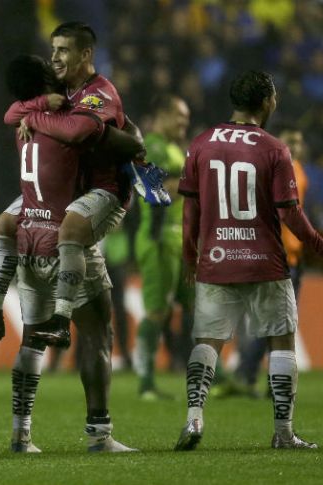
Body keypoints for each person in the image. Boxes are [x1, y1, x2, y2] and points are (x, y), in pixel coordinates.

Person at [0, 21, 165, 348]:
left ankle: (62, 321)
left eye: (63, 50)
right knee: (1, 223)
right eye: (53, 50)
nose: (55, 57)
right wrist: (39, 106)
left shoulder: (100, 92)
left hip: (102, 191)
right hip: (64, 189)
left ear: (86, 53)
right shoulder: (59, 91)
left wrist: (33, 118)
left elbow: (78, 131)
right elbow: (10, 114)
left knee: (72, 231)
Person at [173, 70, 323, 451]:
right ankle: (283, 432)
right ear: (268, 101)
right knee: (281, 340)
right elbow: (290, 213)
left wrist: (190, 256)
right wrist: (321, 246)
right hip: (265, 262)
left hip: (216, 260)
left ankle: (193, 418)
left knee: (208, 341)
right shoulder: (273, 148)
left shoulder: (201, 143)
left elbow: (190, 210)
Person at [2, 54, 139, 453]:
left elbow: (15, 113)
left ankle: (20, 434)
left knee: (31, 340)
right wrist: (132, 139)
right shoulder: (63, 122)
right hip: (65, 238)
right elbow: (98, 137)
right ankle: (100, 435)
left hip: (29, 237)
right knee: (98, 332)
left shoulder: (23, 121)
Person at [218, 125, 310, 399]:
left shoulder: (299, 171)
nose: (296, 144)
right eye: (291, 139)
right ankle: (251, 377)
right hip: (277, 257)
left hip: (294, 256)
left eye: (299, 140)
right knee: (272, 324)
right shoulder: (271, 170)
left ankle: (259, 380)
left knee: (280, 323)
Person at [133, 95, 194, 400]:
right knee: (157, 312)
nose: (184, 123)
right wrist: (192, 181)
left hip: (179, 239)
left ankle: (213, 376)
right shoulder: (154, 146)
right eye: (180, 117)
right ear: (163, 116)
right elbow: (153, 188)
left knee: (196, 307)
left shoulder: (172, 148)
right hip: (158, 240)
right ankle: (145, 383)